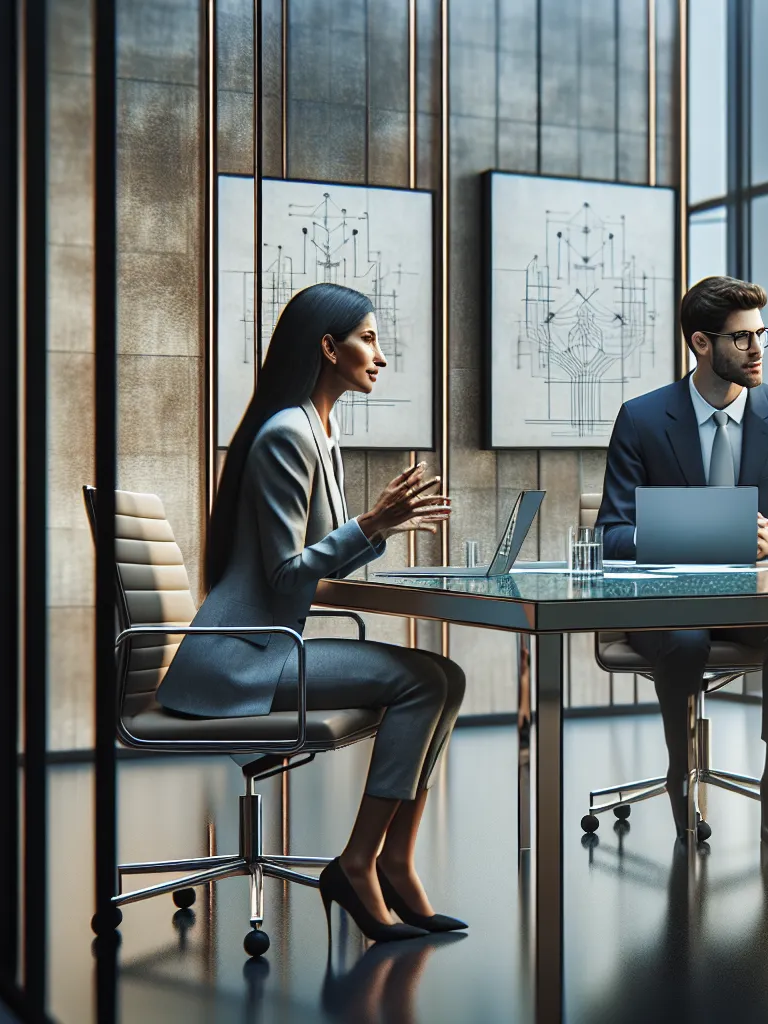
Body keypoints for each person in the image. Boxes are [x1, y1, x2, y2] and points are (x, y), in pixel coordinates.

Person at [161, 283, 468, 943]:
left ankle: (393, 860)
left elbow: (320, 562)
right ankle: (359, 864)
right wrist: (369, 523)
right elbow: (283, 573)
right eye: (368, 337)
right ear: (328, 347)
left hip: (264, 648)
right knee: (422, 679)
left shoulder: (317, 429)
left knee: (447, 677)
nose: (380, 355)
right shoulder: (285, 435)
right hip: (239, 660)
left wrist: (384, 527)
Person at [595, 275, 768, 848]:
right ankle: (681, 774)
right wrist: (705, 533)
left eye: (761, 335)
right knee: (682, 639)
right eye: (742, 339)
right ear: (702, 344)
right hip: (669, 602)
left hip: (753, 600)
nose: (757, 351)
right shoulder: (643, 419)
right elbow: (610, 536)